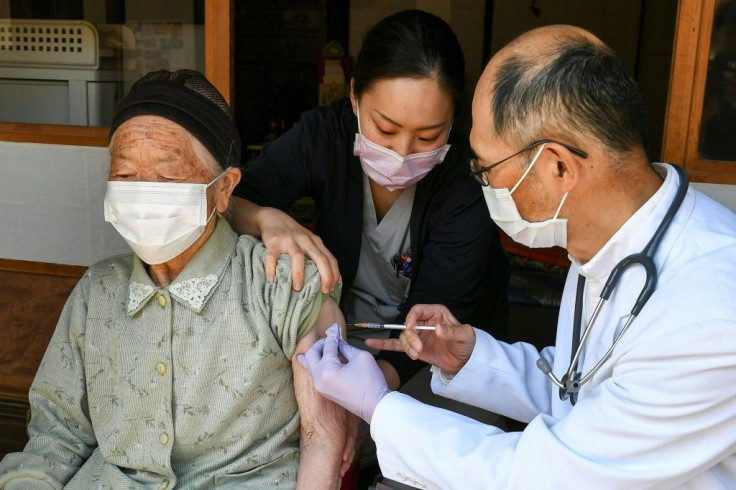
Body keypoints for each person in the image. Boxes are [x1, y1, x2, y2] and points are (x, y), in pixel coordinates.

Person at [299, 25, 736, 488]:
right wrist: (469, 357)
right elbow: (581, 390)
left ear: (557, 167)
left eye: (485, 168)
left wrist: (379, 407)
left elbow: (547, 476)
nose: (481, 184)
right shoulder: (609, 245)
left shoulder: (708, 318)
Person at [0, 69, 353, 489]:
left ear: (224, 189)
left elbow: (324, 438)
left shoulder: (282, 284)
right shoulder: (97, 292)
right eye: (126, 176)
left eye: (167, 177)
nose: (144, 193)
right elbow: (55, 437)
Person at [229, 9, 509, 390]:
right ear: (354, 96)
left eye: (428, 137)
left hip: (433, 367)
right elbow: (229, 200)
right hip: (335, 341)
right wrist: (264, 219)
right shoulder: (326, 136)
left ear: (454, 118)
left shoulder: (467, 182)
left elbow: (436, 321)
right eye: (385, 128)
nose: (402, 152)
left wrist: (367, 399)